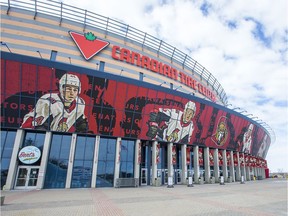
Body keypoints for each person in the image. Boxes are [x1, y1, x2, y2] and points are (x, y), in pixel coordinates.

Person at [21, 73, 88, 132]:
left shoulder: (80, 103)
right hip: (28, 132)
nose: (72, 93)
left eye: (75, 90)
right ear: (61, 88)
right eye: (68, 89)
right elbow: (40, 128)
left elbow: (81, 125)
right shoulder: (49, 101)